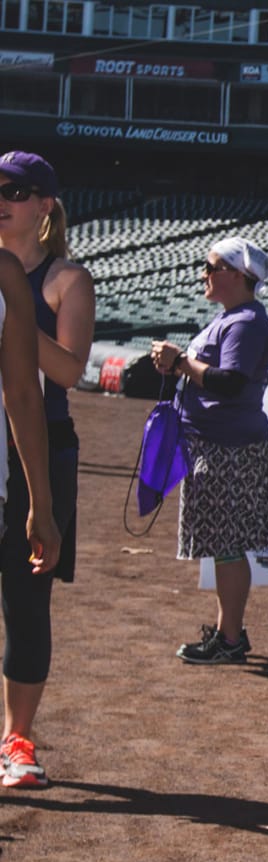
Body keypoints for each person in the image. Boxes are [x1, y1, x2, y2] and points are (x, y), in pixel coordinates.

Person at [151, 237, 268, 665]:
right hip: (219, 442)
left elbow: (230, 382)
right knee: (225, 546)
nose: (204, 274)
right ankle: (229, 633)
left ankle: (229, 639)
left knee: (228, 545)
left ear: (237, 274)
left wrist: (180, 363)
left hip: (227, 445)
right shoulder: (235, 318)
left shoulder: (243, 322)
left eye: (211, 266)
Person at [0, 151, 69, 788]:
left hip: (19, 461)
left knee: (25, 604)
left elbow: (33, 389)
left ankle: (15, 740)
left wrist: (38, 500)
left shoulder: (28, 278)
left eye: (14, 190)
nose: (1, 198)